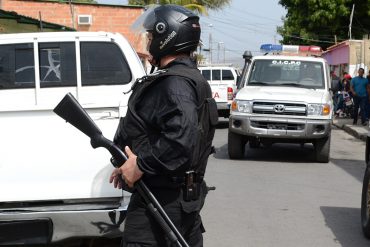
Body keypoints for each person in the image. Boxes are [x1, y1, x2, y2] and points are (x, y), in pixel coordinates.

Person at [109, 4, 218, 247]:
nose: (148, 42)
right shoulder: (188, 79)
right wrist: (130, 164)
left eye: (151, 36)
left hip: (160, 205)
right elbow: (159, 134)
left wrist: (141, 164)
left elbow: (182, 139)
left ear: (166, 36)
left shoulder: (175, 84)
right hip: (175, 202)